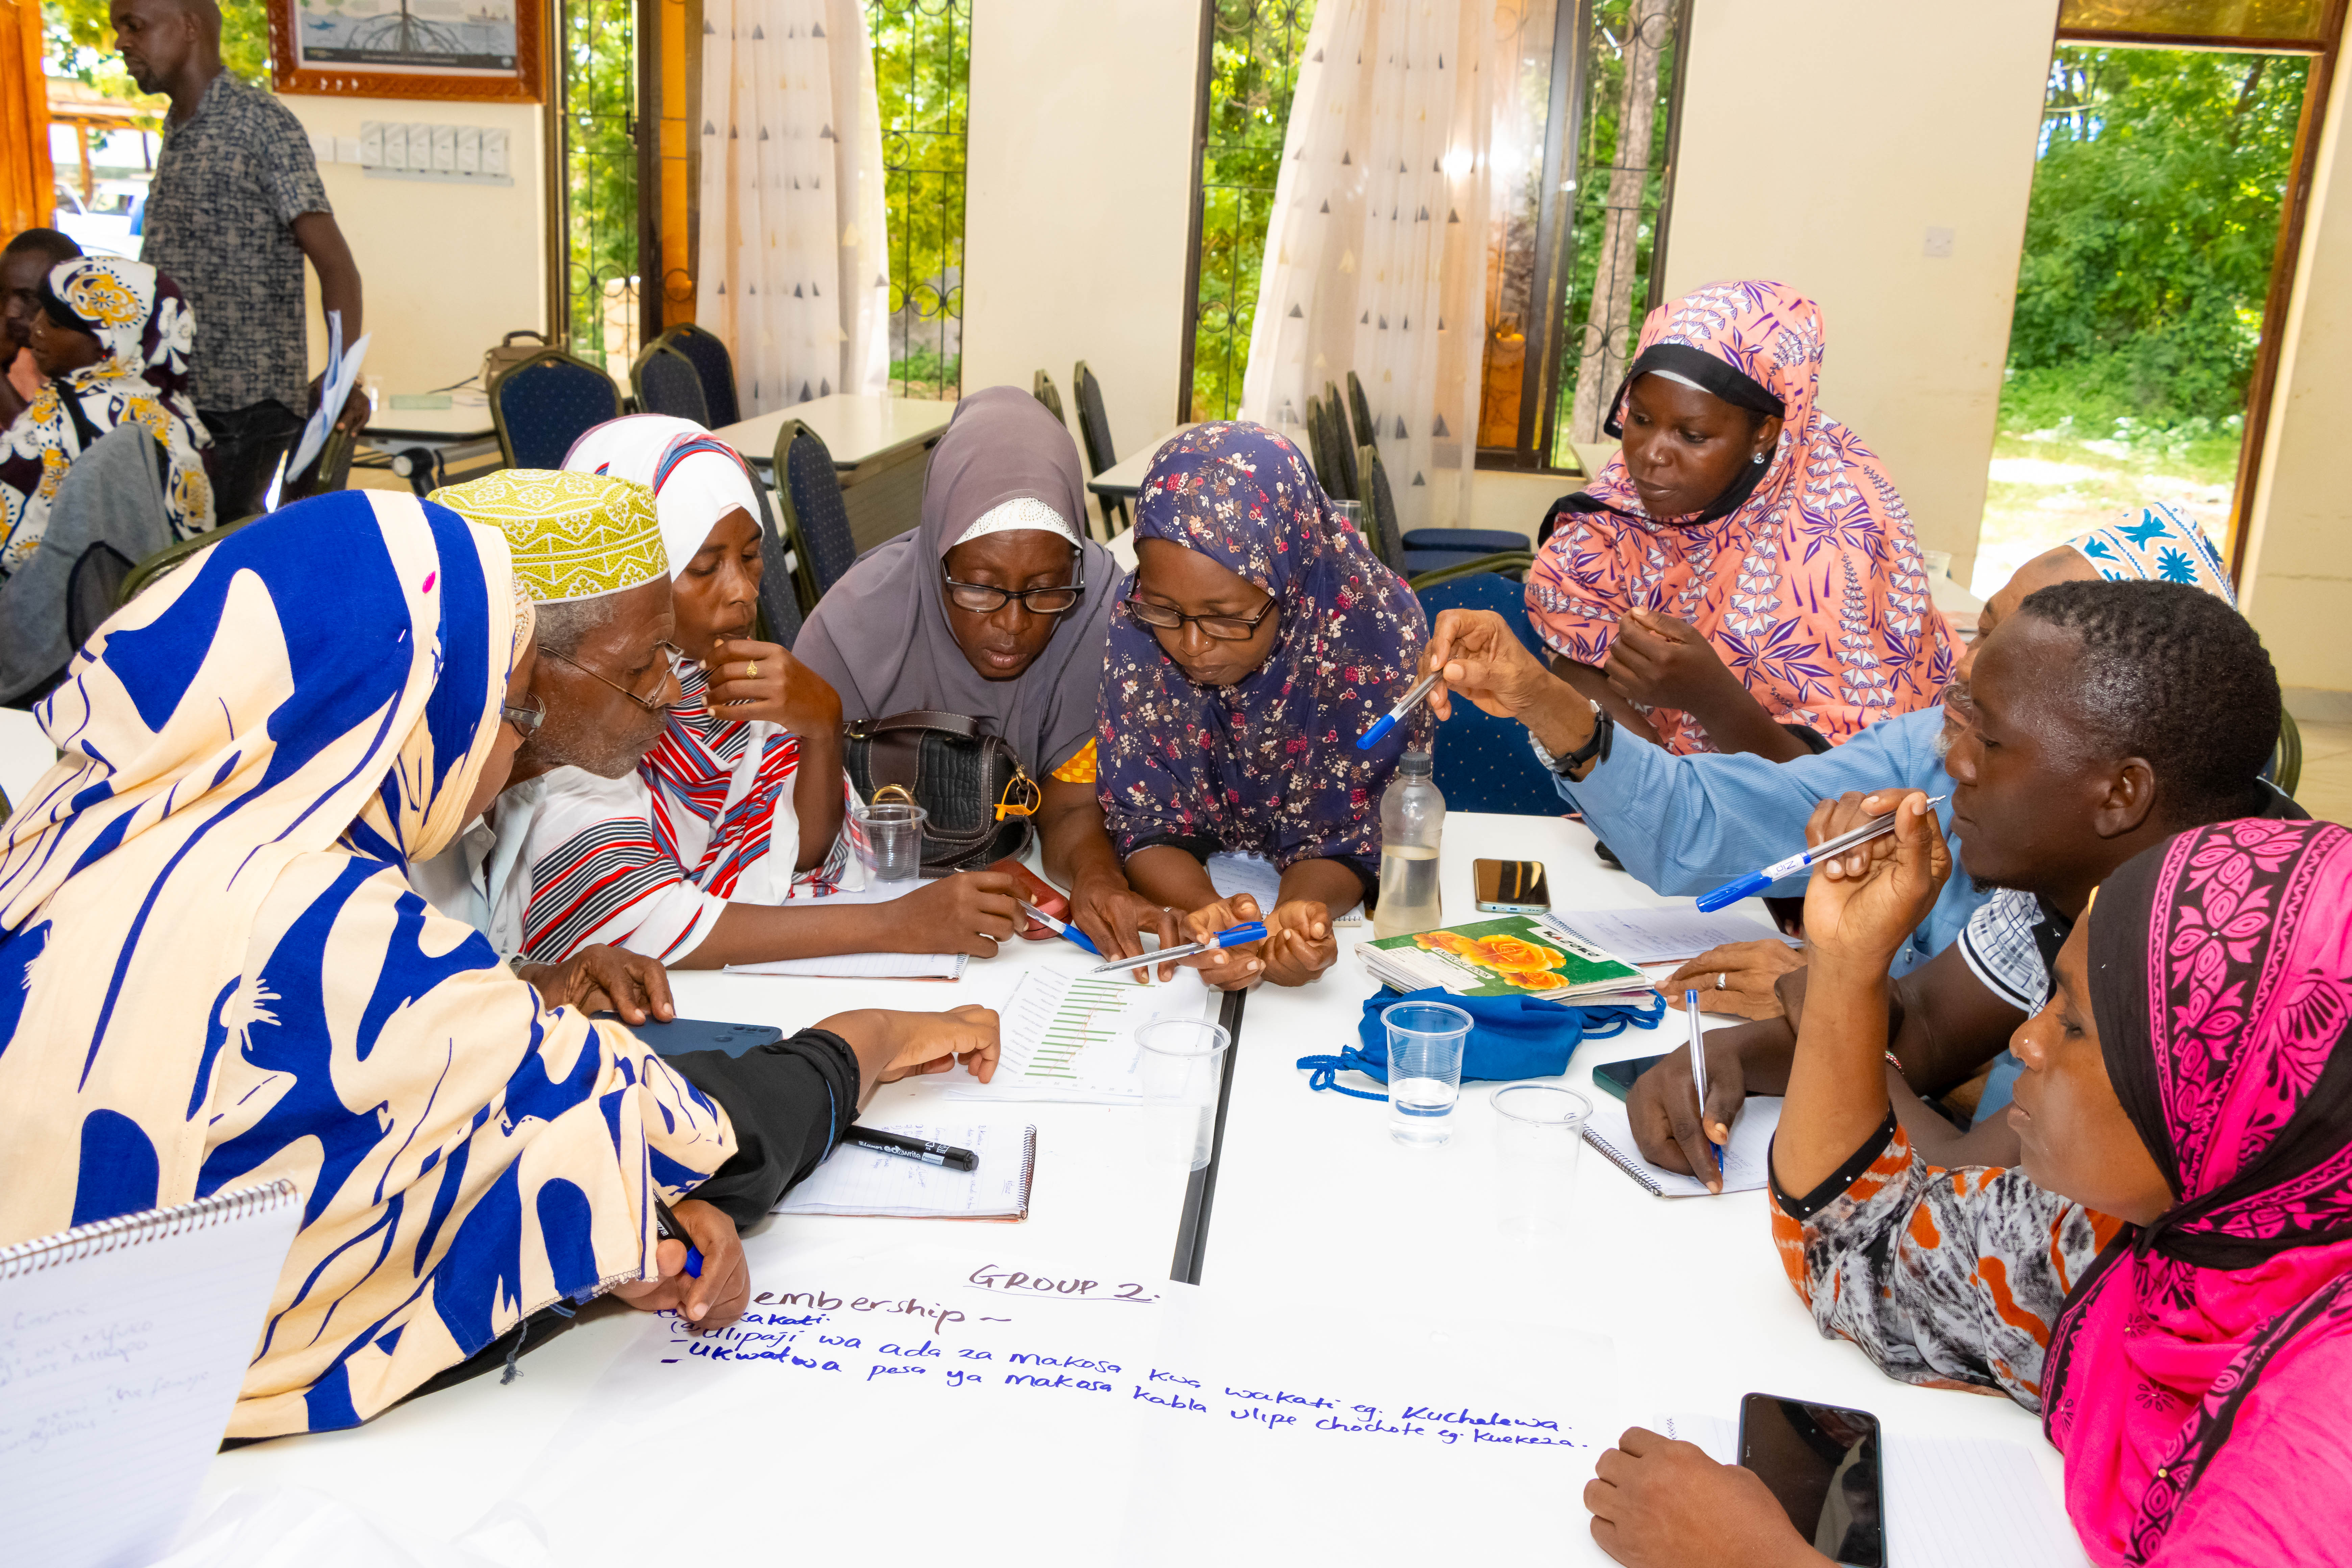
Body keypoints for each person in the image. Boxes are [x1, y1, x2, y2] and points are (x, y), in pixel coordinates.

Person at [0, 488, 1002, 1437]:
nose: (507, 741)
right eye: (505, 705)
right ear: (409, 712)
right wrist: (865, 1038)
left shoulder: (60, 848)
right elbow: (665, 1131)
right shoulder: (336, 933)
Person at [1579, 810, 2352, 1568]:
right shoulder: (2146, 1242)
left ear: (2222, 1088)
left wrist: (1755, 1556)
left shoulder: (2325, 1429)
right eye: (2049, 999)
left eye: (2077, 1025)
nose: (2027, 1041)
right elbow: (1860, 1251)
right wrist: (1845, 964)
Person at [1605, 579, 2295, 1183]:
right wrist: (1724, 1055)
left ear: (2121, 793)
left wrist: (1834, 991)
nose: (1956, 762)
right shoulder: (2086, 875)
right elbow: (1928, 1030)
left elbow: (1955, 1189)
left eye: (1990, 742)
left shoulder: (2206, 963)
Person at [1491, 504, 2240, 1016]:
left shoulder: (2181, 924)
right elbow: (1706, 825)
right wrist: (1542, 701)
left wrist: (1842, 997)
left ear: (2122, 774)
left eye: (2024, 671)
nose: (1971, 676)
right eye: (1984, 634)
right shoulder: (1932, 748)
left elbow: (2035, 1112)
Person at [516, 415, 1025, 966]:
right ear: (632, 575)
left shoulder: (721, 680)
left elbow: (798, 859)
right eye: (705, 566)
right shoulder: (574, 710)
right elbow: (641, 918)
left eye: (753, 558)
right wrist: (896, 923)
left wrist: (822, 725)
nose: (741, 593)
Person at [795, 385, 1184, 967]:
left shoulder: (1102, 613)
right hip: (856, 926)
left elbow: (1072, 804)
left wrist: (1096, 878)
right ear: (937, 556)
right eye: (979, 586)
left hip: (1011, 932)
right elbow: (789, 830)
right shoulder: (851, 631)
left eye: (1048, 589)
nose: (1013, 624)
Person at [1525, 279, 1954, 761]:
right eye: (1641, 420)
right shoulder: (1624, 500)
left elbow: (1839, 787)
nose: (1649, 456)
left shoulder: (1834, 548)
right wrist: (1652, 782)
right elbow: (1572, 646)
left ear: (1764, 434)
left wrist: (1710, 695)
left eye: (1692, 435)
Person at [1099, 421, 1427, 990]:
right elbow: (1144, 821)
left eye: (1227, 617)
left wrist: (1300, 919)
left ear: (1292, 583)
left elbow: (1349, 837)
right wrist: (1206, 912)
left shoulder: (1375, 636)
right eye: (1166, 609)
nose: (1192, 645)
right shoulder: (1136, 622)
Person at [115, 0, 368, 518]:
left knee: (212, 567)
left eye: (134, 27)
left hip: (244, 412)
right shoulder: (178, 129)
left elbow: (337, 265)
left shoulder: (258, 123)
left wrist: (342, 375)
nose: (121, 42)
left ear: (188, 28)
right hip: (184, 399)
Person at [0, 256, 213, 582]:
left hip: (66, 612)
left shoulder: (55, 414)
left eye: (55, 324)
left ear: (110, 344)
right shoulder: (180, 416)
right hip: (155, 602)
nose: (36, 328)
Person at [1, 228, 80, 427]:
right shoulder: (12, 351)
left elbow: (44, 449)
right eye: (3, 294)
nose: (11, 312)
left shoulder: (89, 355)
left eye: (29, 298)